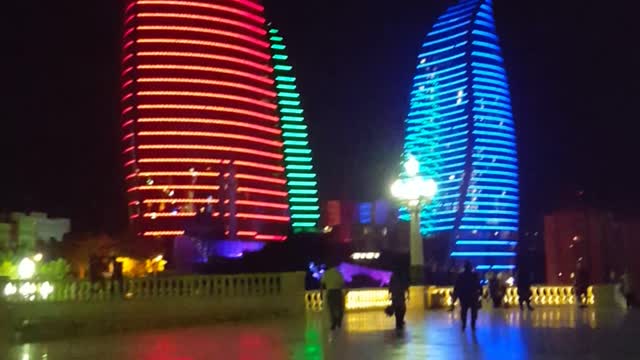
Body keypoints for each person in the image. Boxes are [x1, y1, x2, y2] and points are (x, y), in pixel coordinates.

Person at [453, 262, 482, 331]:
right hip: (473, 296)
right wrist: (481, 293)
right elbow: (478, 285)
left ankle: (464, 325)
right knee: (474, 312)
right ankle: (473, 325)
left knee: (464, 311)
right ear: (471, 268)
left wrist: (455, 297)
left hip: (464, 296)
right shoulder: (475, 275)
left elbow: (457, 287)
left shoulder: (460, 276)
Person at [321, 263, 345, 330]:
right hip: (338, 292)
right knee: (340, 307)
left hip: (330, 292)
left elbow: (322, 284)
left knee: (331, 308)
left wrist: (321, 293)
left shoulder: (326, 273)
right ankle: (338, 320)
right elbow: (343, 283)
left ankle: (334, 321)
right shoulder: (339, 273)